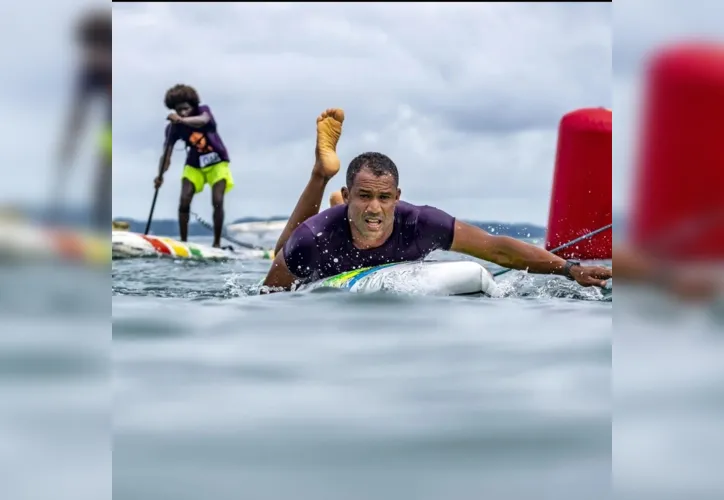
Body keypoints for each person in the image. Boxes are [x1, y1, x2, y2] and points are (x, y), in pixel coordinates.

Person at [262, 108, 613, 291]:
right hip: (323, 253)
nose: (375, 207)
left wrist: (570, 269)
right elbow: (269, 295)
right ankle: (322, 175)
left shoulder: (421, 222)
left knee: (350, 219)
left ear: (398, 198)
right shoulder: (312, 239)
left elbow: (496, 249)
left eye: (385, 198)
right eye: (365, 196)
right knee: (282, 250)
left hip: (344, 221)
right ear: (354, 194)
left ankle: (338, 199)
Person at [154, 84, 234, 247]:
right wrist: (160, 176)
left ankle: (217, 243)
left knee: (217, 200)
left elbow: (203, 121)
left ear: (193, 106)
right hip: (194, 164)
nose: (182, 113)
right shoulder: (173, 128)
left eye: (185, 109)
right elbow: (166, 155)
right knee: (184, 200)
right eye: (179, 110)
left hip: (217, 162)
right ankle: (184, 243)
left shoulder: (203, 111)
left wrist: (182, 120)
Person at [58, 8, 111, 230]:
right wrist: (67, 146)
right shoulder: (90, 72)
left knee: (106, 171)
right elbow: (78, 115)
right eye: (89, 48)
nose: (93, 56)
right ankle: (98, 228)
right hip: (109, 129)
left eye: (99, 48)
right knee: (101, 175)